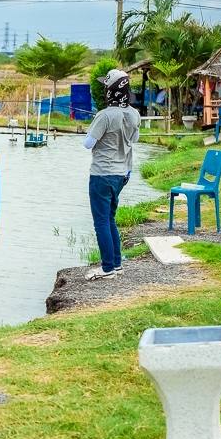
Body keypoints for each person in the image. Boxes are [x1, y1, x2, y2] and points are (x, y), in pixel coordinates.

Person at [83, 68, 140, 280]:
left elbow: (88, 144)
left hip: (101, 174)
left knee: (101, 222)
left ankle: (107, 268)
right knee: (110, 219)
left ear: (110, 91)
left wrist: (91, 131)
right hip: (121, 175)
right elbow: (134, 139)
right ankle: (117, 264)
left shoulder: (104, 116)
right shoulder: (134, 114)